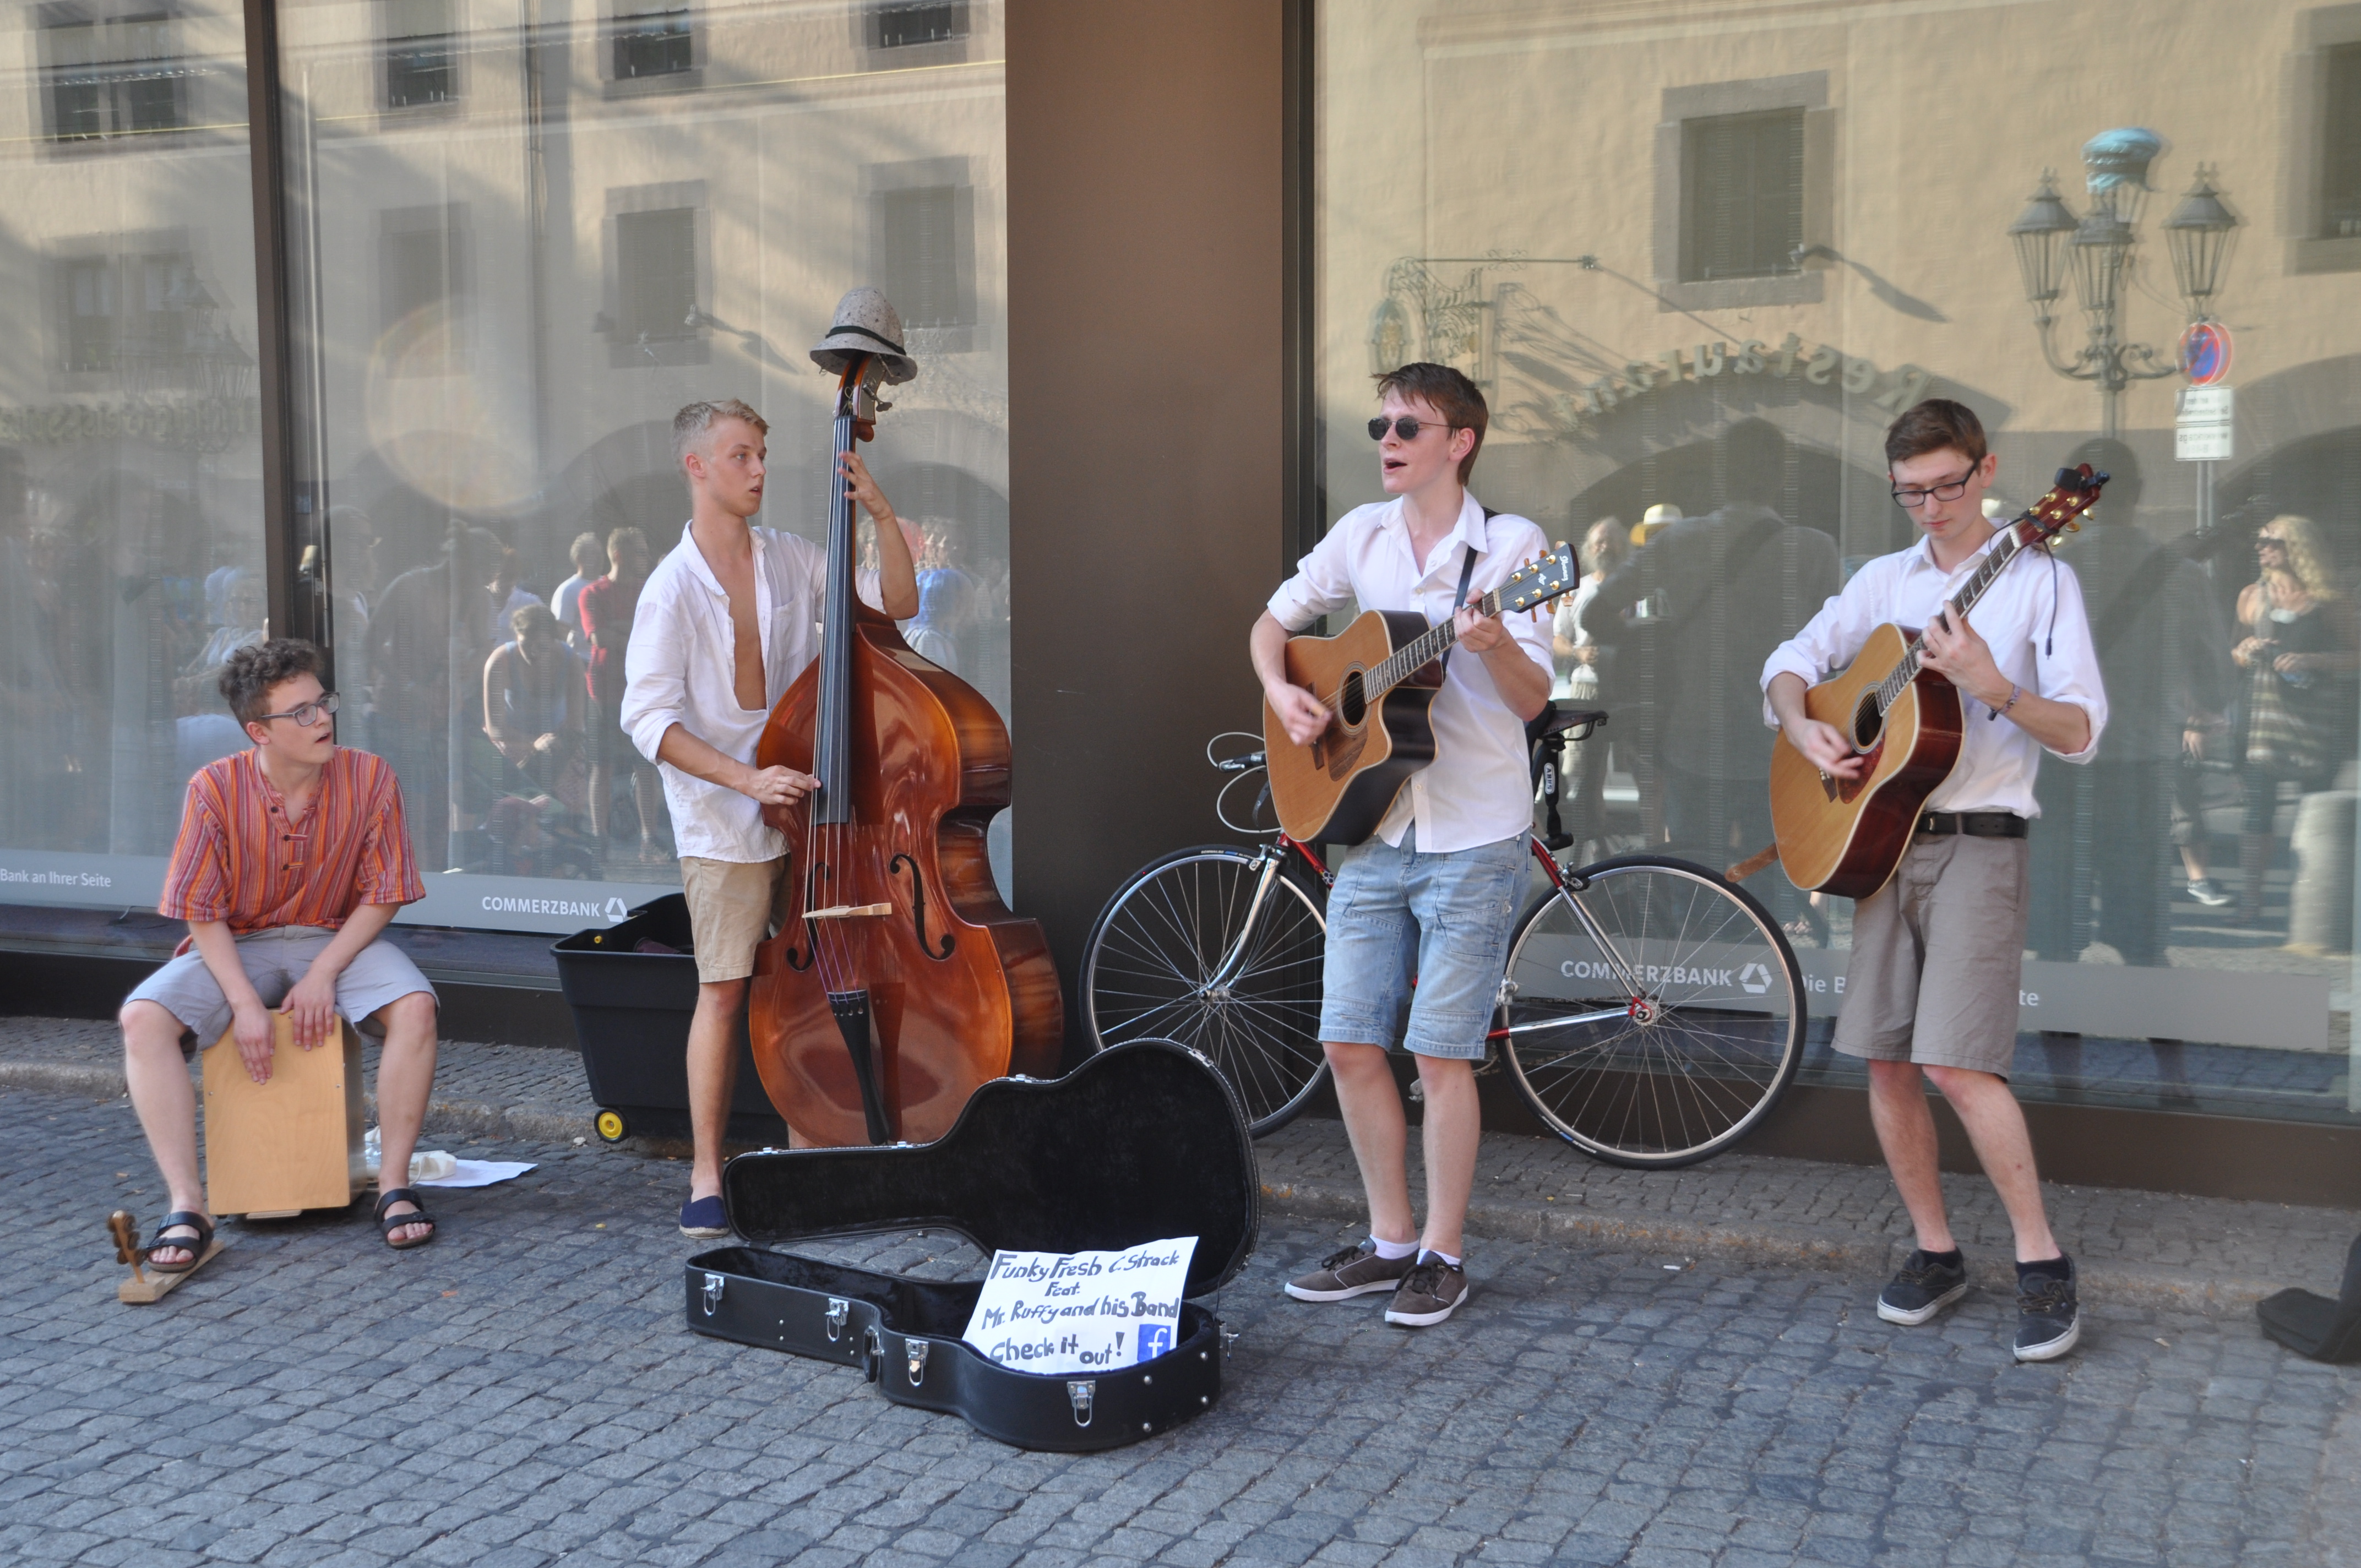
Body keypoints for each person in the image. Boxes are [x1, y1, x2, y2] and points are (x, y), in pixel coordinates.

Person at [1761, 399, 2108, 1362]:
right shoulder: (1881, 581)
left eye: (1947, 486)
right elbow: (1789, 662)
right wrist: (1803, 726)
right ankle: (1934, 1248)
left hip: (1980, 842)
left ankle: (2041, 1262)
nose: (1930, 508)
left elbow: (2080, 731)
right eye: (1910, 492)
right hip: (1880, 840)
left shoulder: (2040, 577)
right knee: (1883, 1057)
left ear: (1986, 471)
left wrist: (1991, 684)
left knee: (1957, 1062)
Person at [1255, 362, 1553, 1328]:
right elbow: (1272, 623)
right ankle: (1387, 1241)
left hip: (1472, 831)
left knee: (1438, 1052)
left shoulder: (1512, 549)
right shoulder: (1362, 535)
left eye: (1407, 426)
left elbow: (1531, 699)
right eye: (1380, 422)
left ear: (1458, 442)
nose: (1385, 438)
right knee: (1347, 1039)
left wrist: (1492, 644)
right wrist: (1283, 690)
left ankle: (1443, 1252)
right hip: (1375, 825)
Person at [622, 394, 920, 1239]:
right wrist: (748, 782)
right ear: (698, 467)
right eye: (741, 456)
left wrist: (883, 514)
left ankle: (816, 1148)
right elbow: (649, 722)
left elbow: (896, 606)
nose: (759, 470)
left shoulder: (792, 557)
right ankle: (707, 1175)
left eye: (761, 454)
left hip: (819, 811)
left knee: (822, 982)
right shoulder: (669, 590)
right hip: (725, 819)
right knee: (723, 993)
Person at [119, 639, 440, 1268]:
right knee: (142, 1019)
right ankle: (189, 1204)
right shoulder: (214, 786)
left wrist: (325, 971)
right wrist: (243, 1002)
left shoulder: (371, 775)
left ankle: (396, 1184)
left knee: (417, 1009)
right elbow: (200, 908)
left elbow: (386, 894)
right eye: (301, 713)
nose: (322, 719)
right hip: (237, 944)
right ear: (258, 730)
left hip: (336, 937)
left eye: (322, 703)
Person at [1589, 419, 1840, 874]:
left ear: (1720, 477)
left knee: (1695, 880)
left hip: (1694, 739)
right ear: (1782, 477)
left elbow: (1595, 616)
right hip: (1781, 747)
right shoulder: (1815, 550)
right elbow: (1841, 657)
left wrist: (1654, 636)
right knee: (1768, 884)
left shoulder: (1680, 542)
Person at [2026, 440, 2232, 966]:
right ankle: (2162, 1042)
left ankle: (2064, 1042)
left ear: (2068, 499)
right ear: (2138, 494)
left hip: (2058, 764)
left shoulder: (2043, 576)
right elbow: (2214, 686)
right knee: (2142, 937)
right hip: (2141, 764)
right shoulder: (2181, 577)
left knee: (2055, 940)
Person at [2231, 515, 2358, 927]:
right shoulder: (2252, 594)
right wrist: (2246, 648)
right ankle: (2252, 902)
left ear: (2298, 547)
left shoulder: (2330, 600)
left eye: (2272, 540)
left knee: (2313, 809)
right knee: (2257, 810)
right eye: (2260, 538)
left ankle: (2312, 905)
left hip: (2316, 720)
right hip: (2260, 718)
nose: (2261, 547)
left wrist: (2314, 659)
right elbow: (2232, 652)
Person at [580, 526, 666, 861]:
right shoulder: (593, 593)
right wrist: (631, 632)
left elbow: (659, 634)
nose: (645, 560)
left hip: (644, 692)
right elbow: (599, 638)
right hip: (604, 694)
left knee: (646, 768)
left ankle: (649, 840)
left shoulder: (652, 590)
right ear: (620, 554)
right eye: (640, 553)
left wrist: (621, 629)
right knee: (601, 766)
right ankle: (598, 841)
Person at [1552, 516, 1628, 852]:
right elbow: (1557, 638)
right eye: (1599, 541)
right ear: (1588, 548)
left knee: (1646, 773)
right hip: (1585, 690)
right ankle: (1597, 847)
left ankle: (1654, 851)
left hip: (1629, 689)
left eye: (1611, 540)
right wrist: (1579, 653)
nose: (1605, 546)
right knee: (1587, 774)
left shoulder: (1636, 588)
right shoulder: (1575, 591)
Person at [482, 601, 586, 811]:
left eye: (542, 647)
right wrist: (533, 744)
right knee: (513, 789)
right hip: (511, 739)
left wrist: (556, 748)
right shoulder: (500, 662)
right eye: (525, 645)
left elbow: (576, 724)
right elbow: (495, 728)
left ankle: (564, 827)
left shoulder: (570, 661)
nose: (533, 653)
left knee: (568, 791)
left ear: (554, 641)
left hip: (555, 738)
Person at [554, 531, 607, 651]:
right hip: (581, 662)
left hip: (605, 661)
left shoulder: (607, 585)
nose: (599, 558)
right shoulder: (568, 590)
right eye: (593, 554)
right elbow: (561, 635)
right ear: (579, 559)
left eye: (600, 553)